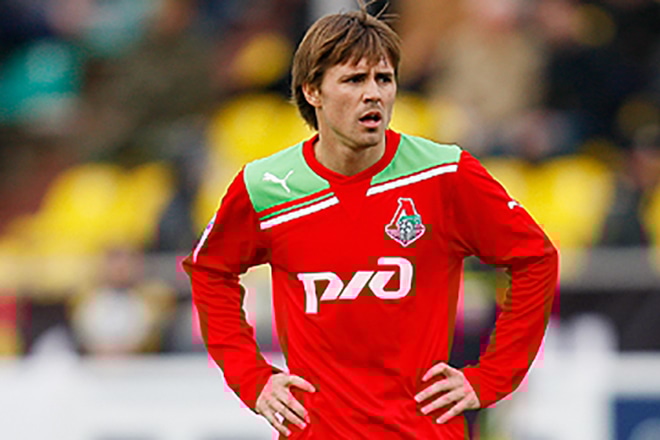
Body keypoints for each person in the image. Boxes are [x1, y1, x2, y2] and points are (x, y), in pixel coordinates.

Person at [183, 4, 558, 439]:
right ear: (312, 91)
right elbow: (210, 272)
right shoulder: (267, 187)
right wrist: (252, 378)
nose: (374, 94)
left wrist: (491, 377)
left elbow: (536, 260)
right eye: (354, 80)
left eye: (384, 79)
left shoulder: (444, 174)